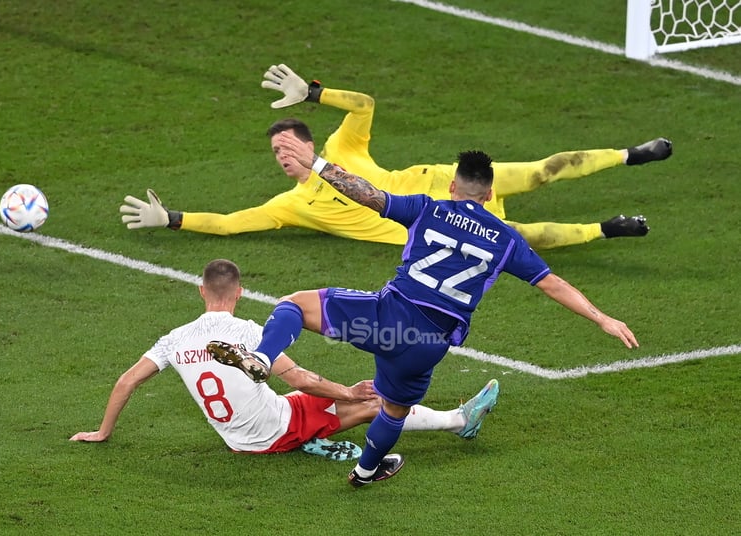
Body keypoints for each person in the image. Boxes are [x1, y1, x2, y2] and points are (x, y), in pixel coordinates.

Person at [206, 137, 639, 488]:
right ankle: (365, 472)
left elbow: (367, 194)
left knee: (294, 305)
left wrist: (318, 164)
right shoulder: (506, 240)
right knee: (391, 409)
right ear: (489, 194)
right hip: (427, 345)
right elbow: (553, 283)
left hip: (386, 319)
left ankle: (262, 358)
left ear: (453, 187)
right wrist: (603, 318)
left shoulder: (428, 209)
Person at [118, 64, 671, 250]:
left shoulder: (342, 146)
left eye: (287, 146)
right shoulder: (292, 205)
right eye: (275, 152)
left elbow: (364, 104)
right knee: (522, 238)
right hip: (435, 225)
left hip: (439, 179)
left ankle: (630, 155)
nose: (281, 156)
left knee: (540, 171)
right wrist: (170, 218)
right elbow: (233, 223)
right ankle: (607, 228)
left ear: (309, 143)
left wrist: (314, 93)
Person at [70, 258, 500, 460]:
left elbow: (127, 381)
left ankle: (326, 425)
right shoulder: (248, 333)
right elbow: (302, 379)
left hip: (239, 430)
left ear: (201, 291)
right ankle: (460, 422)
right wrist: (346, 391)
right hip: (271, 432)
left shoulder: (174, 339)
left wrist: (103, 432)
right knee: (374, 401)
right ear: (238, 293)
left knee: (346, 399)